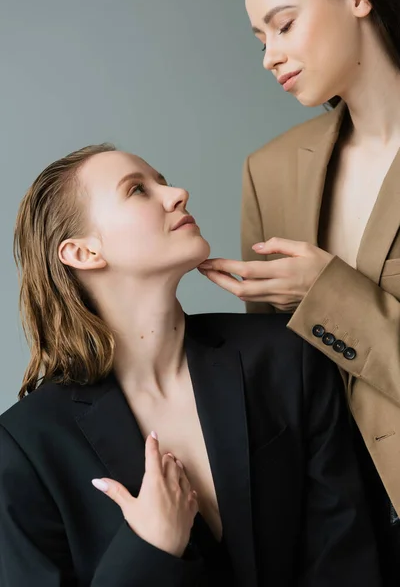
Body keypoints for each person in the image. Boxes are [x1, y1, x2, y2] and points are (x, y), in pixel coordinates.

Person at [0, 144, 382, 586]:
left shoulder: (284, 356)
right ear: (83, 253)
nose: (177, 193)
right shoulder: (25, 446)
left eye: (162, 180)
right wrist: (148, 547)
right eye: (138, 190)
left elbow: (349, 559)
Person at [196, 0, 400, 584]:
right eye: (260, 41)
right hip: (332, 536)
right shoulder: (270, 171)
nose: (269, 56)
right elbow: (277, 387)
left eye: (284, 25)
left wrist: (326, 293)